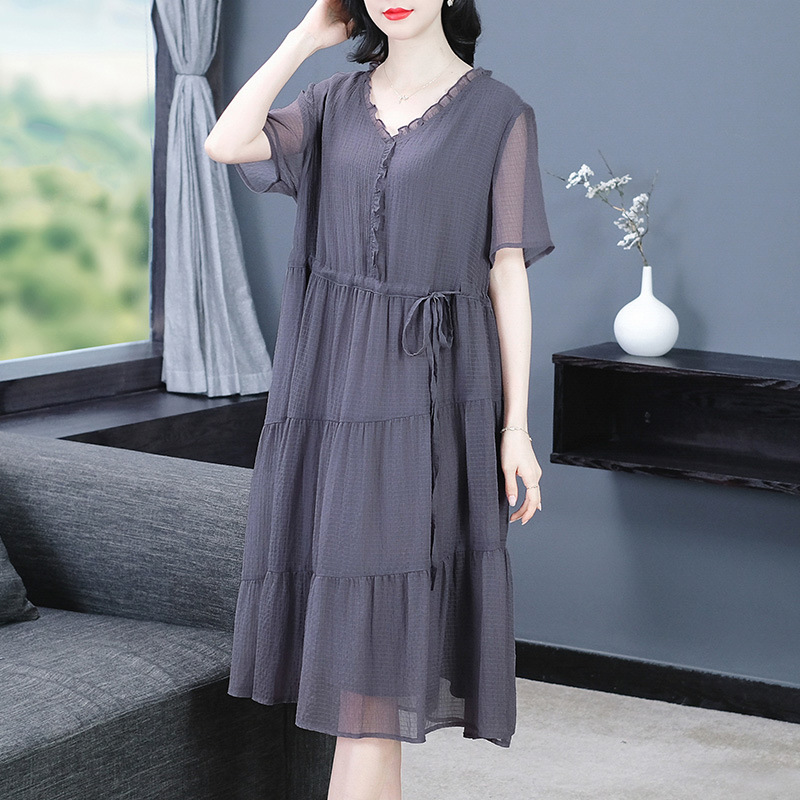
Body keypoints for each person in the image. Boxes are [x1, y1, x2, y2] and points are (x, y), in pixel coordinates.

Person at [205, 1, 555, 797]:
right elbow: (226, 141)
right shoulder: (331, 102)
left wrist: (516, 428)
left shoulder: (499, 115)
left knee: (374, 665)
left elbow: (507, 274)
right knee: (363, 686)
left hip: (427, 396)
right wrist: (303, 38)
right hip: (329, 393)